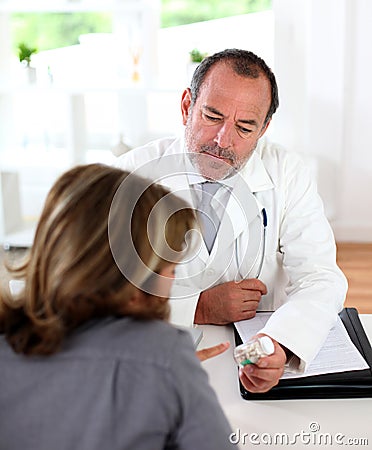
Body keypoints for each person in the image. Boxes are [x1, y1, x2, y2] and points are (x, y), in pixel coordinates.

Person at [115, 48, 348, 393]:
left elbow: (320, 277)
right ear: (186, 107)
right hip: (155, 356)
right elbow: (96, 286)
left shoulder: (287, 173)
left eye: (244, 127)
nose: (223, 141)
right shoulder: (131, 173)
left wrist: (279, 345)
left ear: (264, 128)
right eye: (212, 116)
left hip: (253, 360)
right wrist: (198, 307)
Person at [0, 164, 235, 450]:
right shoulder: (164, 356)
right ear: (136, 280)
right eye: (170, 269)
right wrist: (172, 379)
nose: (172, 282)